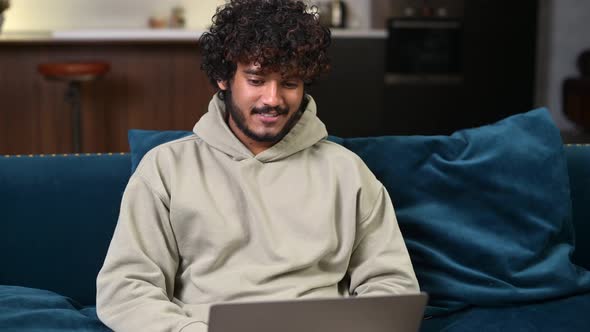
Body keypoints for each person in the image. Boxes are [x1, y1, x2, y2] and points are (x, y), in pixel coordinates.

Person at [96, 1, 419, 331]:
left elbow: (392, 286)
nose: (273, 99)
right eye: (256, 79)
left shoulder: (347, 172)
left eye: (290, 83)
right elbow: (126, 290)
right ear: (224, 77)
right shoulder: (166, 168)